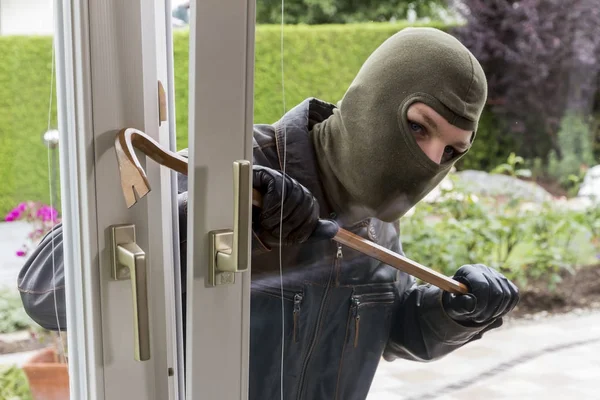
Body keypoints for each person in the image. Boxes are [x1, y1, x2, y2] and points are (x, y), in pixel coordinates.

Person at [18, 27, 519, 400]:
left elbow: (389, 332)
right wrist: (218, 213)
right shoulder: (233, 167)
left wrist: (455, 313)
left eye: (453, 152)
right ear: (371, 103)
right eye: (417, 127)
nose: (429, 162)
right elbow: (45, 293)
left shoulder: (376, 221)